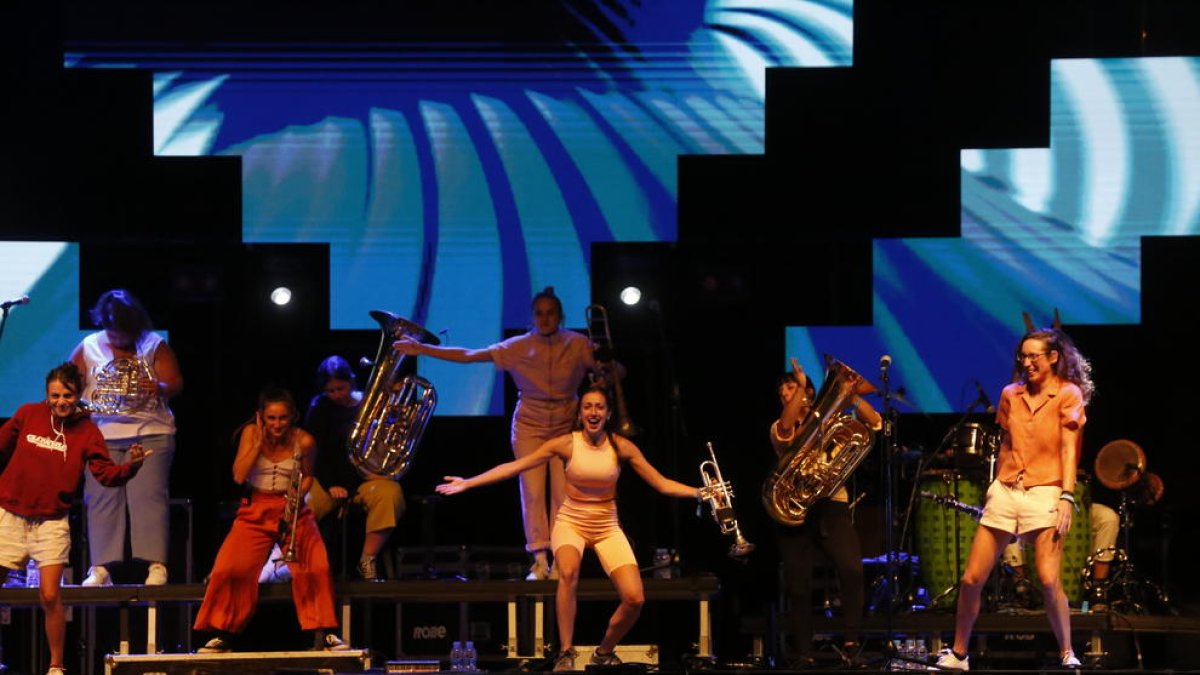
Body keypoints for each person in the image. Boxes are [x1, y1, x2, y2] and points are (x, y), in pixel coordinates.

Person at [435, 385, 700, 672]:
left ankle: (603, 652)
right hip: (571, 522)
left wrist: (700, 493)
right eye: (587, 407)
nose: (593, 412)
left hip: (607, 526)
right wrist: (469, 482)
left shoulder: (621, 447)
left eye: (599, 407)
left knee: (635, 598)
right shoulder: (566, 444)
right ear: (580, 413)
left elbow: (661, 483)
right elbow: (516, 466)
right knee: (569, 572)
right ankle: (565, 652)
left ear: (608, 413)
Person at [395, 286, 616, 580]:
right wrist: (422, 349)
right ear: (532, 316)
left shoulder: (578, 344)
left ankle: (561, 559)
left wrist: (609, 374)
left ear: (560, 315)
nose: (545, 319)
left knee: (564, 494)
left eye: (551, 313)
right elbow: (469, 355)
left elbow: (613, 371)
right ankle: (539, 560)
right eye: (539, 313)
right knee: (532, 491)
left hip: (566, 424)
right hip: (530, 424)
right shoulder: (519, 346)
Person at [936, 328, 1093, 670]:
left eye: (1034, 356)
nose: (1027, 362)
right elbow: (1007, 444)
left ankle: (1067, 651)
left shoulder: (1068, 394)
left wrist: (1067, 496)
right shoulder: (1011, 394)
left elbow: (1069, 451)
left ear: (1053, 357)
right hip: (1007, 489)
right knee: (971, 579)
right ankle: (959, 654)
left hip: (1047, 490)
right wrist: (996, 486)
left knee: (1048, 580)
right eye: (1023, 356)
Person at [0, 362, 149, 675]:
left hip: (51, 522)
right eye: (55, 396)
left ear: (78, 394)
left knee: (50, 594)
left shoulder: (88, 432)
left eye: (67, 395)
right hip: (11, 515)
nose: (61, 402)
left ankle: (56, 666)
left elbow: (106, 475)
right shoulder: (28, 414)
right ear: (46, 395)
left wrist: (131, 466)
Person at [193, 387, 347, 653]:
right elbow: (239, 476)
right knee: (229, 568)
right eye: (271, 418)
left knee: (316, 567)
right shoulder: (251, 433)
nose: (277, 424)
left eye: (283, 418)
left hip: (292, 508)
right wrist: (257, 444)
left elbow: (308, 475)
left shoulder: (305, 441)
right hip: (256, 508)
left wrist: (298, 496)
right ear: (261, 417)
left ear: (293, 417)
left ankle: (325, 633)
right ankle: (223, 634)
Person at [771, 358, 881, 667]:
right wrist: (799, 387)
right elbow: (786, 429)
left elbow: (875, 423)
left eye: (790, 388)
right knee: (798, 583)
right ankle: (804, 651)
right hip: (795, 509)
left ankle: (852, 642)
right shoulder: (779, 427)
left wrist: (851, 396)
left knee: (852, 569)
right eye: (782, 392)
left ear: (809, 393)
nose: (785, 394)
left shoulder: (833, 421)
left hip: (832, 504)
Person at [71, 289, 183, 586]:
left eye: (123, 332)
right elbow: (69, 384)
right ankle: (101, 567)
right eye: (112, 332)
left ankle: (156, 565)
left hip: (150, 433)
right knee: (101, 500)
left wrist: (158, 387)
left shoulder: (153, 344)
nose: (118, 339)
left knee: (148, 499)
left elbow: (174, 383)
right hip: (102, 436)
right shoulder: (89, 347)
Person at [303, 355, 406, 580]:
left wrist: (394, 404)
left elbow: (389, 436)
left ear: (351, 381)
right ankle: (296, 564)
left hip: (365, 478)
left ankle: (367, 560)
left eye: (341, 388)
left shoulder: (370, 402)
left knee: (390, 495)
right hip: (329, 479)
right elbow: (315, 452)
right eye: (330, 391)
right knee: (304, 505)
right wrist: (331, 484)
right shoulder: (319, 407)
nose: (337, 395)